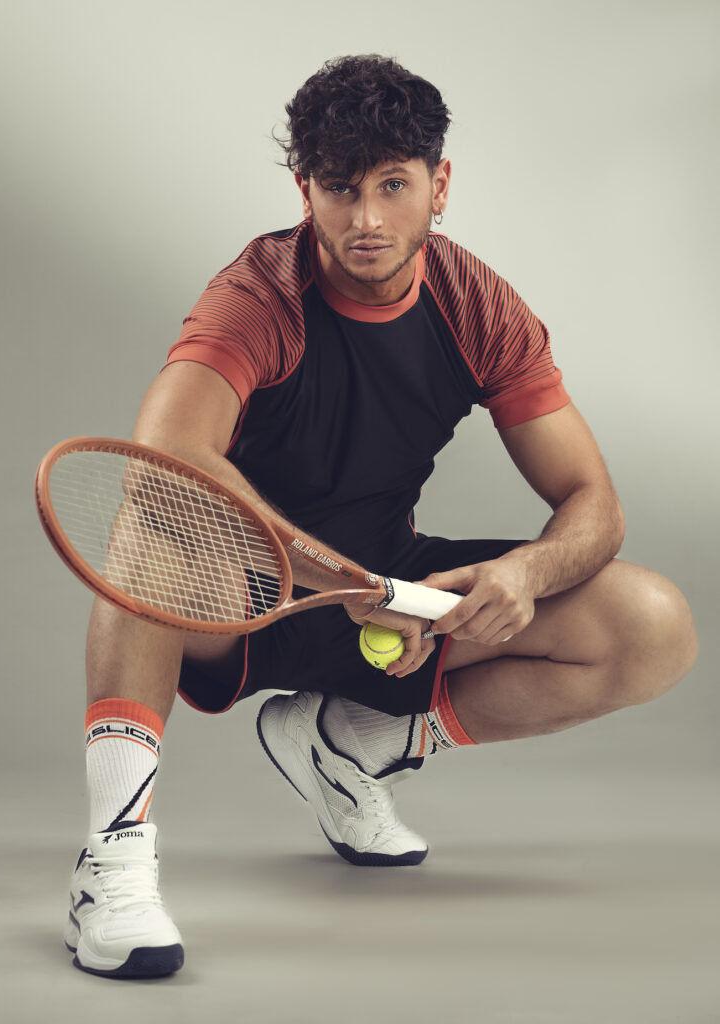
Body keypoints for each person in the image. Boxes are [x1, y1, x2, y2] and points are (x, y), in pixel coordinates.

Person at [65, 55, 698, 979]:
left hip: (389, 597)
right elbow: (166, 456)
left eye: (392, 185)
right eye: (340, 188)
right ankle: (111, 867)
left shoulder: (476, 305)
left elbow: (593, 502)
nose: (366, 219)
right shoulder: (259, 296)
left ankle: (350, 744)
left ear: (440, 186)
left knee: (651, 624)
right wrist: (349, 585)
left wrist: (521, 576)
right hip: (236, 596)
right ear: (305, 191)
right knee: (150, 520)